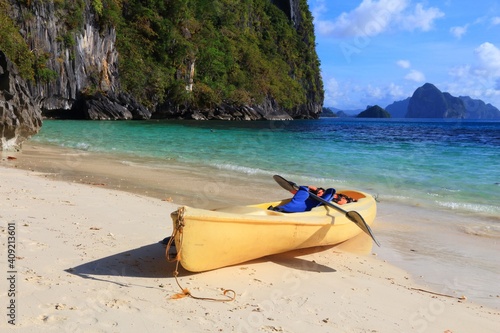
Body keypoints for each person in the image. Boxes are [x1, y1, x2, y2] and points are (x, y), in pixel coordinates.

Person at [268, 185, 336, 213]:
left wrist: (316, 190)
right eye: (317, 192)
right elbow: (298, 191)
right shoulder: (304, 196)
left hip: (283, 211)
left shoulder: (321, 201)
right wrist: (312, 188)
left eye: (321, 193)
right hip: (278, 210)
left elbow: (331, 192)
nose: (319, 193)